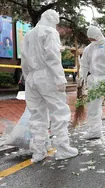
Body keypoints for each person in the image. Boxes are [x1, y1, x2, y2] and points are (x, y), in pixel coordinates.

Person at [21, 9, 78, 162]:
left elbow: (24, 59)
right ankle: (63, 149)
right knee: (59, 112)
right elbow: (52, 57)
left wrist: (28, 78)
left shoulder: (29, 34)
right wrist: (60, 78)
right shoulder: (50, 32)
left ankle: (38, 151)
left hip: (32, 77)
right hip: (47, 76)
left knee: (37, 115)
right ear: (52, 19)